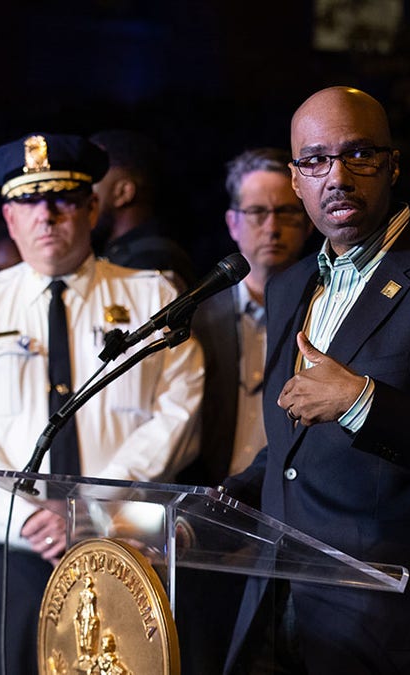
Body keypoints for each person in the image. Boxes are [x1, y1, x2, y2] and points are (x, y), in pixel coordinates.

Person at [220, 86, 410, 675]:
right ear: (295, 177)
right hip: (282, 622)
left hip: (395, 633)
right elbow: (296, 456)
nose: (336, 176)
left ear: (393, 164)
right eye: (315, 160)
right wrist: (217, 503)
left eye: (358, 155)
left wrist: (362, 402)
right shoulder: (290, 286)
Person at [0, 133, 204, 675]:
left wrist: (88, 509)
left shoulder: (154, 297)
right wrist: (30, 518)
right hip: (9, 557)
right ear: (9, 219)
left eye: (63, 198)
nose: (46, 216)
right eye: (29, 202)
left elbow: (180, 414)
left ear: (92, 207)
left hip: (125, 554)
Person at [174, 148, 311, 675]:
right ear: (232, 222)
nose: (272, 226)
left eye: (286, 212)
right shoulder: (196, 319)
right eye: (257, 212)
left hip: (298, 532)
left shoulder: (331, 317)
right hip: (212, 526)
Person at [89, 129, 195, 288]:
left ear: (123, 192)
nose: (83, 196)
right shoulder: (118, 255)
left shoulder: (150, 262)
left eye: (92, 181)